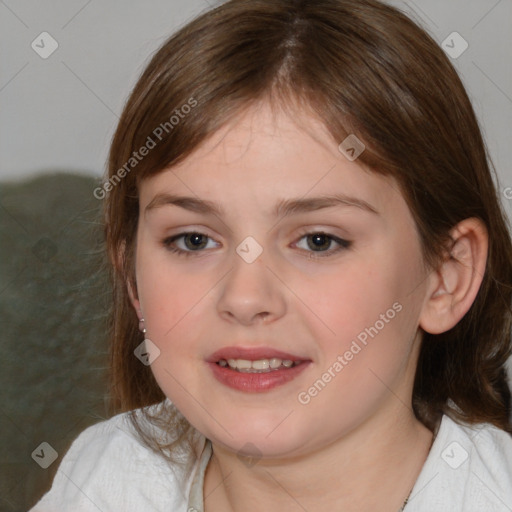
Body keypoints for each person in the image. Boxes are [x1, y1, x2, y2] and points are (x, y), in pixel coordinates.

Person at [30, 0, 512, 510]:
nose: (244, 297)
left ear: (446, 277)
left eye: (318, 241)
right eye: (193, 240)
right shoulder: (106, 475)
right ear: (131, 275)